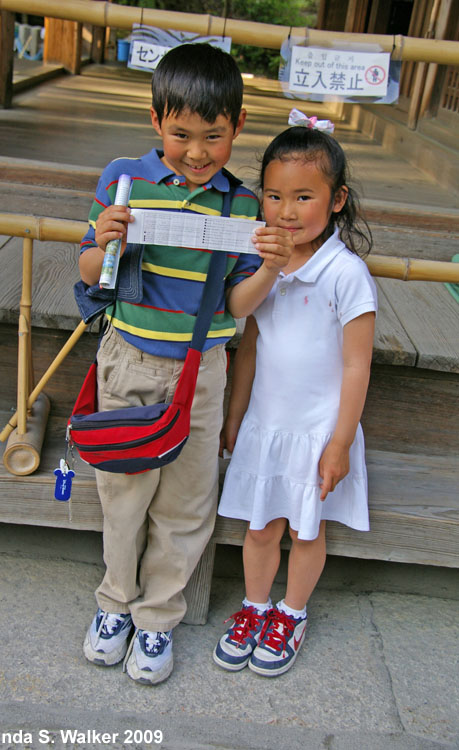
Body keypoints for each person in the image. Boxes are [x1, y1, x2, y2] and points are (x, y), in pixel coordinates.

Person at [78, 43, 294, 685]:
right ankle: (114, 604)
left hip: (203, 370)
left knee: (188, 502)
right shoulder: (125, 180)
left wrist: (274, 267)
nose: (197, 152)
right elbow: (92, 273)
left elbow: (238, 303)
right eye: (180, 134)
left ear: (238, 127)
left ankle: (157, 620)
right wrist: (105, 240)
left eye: (213, 136)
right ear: (154, 122)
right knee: (123, 492)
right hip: (130, 356)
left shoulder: (243, 205)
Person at [213, 114, 377, 678]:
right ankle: (255, 606)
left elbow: (357, 365)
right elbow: (251, 344)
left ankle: (292, 612)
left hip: (317, 430)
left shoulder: (346, 274)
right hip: (266, 422)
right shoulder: (265, 263)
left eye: (304, 196)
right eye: (275, 195)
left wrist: (339, 443)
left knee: (308, 528)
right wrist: (235, 416)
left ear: (337, 200)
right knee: (260, 526)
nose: (286, 211)